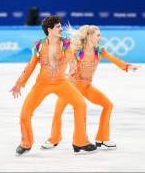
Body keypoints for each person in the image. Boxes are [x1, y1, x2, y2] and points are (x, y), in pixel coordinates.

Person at [41, 24, 140, 150]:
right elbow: (63, 60)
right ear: (89, 37)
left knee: (108, 105)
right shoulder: (77, 52)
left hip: (87, 87)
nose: (101, 37)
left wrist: (127, 66)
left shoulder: (100, 51)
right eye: (98, 35)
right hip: (71, 87)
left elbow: (113, 59)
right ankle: (54, 139)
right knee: (58, 111)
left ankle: (102, 138)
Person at [9, 15, 97, 155]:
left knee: (81, 105)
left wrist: (73, 69)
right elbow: (31, 65)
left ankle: (80, 141)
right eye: (58, 27)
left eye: (61, 26)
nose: (61, 29)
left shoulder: (66, 43)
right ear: (49, 30)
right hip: (42, 84)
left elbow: (71, 59)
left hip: (61, 83)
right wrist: (19, 82)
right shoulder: (39, 44)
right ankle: (26, 143)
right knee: (24, 114)